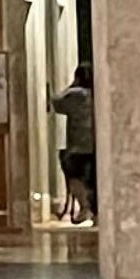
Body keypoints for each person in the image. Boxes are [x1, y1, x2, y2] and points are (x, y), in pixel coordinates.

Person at [53, 63, 99, 224]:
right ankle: (96, 212)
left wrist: (71, 86)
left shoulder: (75, 95)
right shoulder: (98, 95)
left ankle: (85, 206)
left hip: (78, 146)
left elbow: (56, 102)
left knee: (74, 176)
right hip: (96, 145)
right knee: (94, 179)